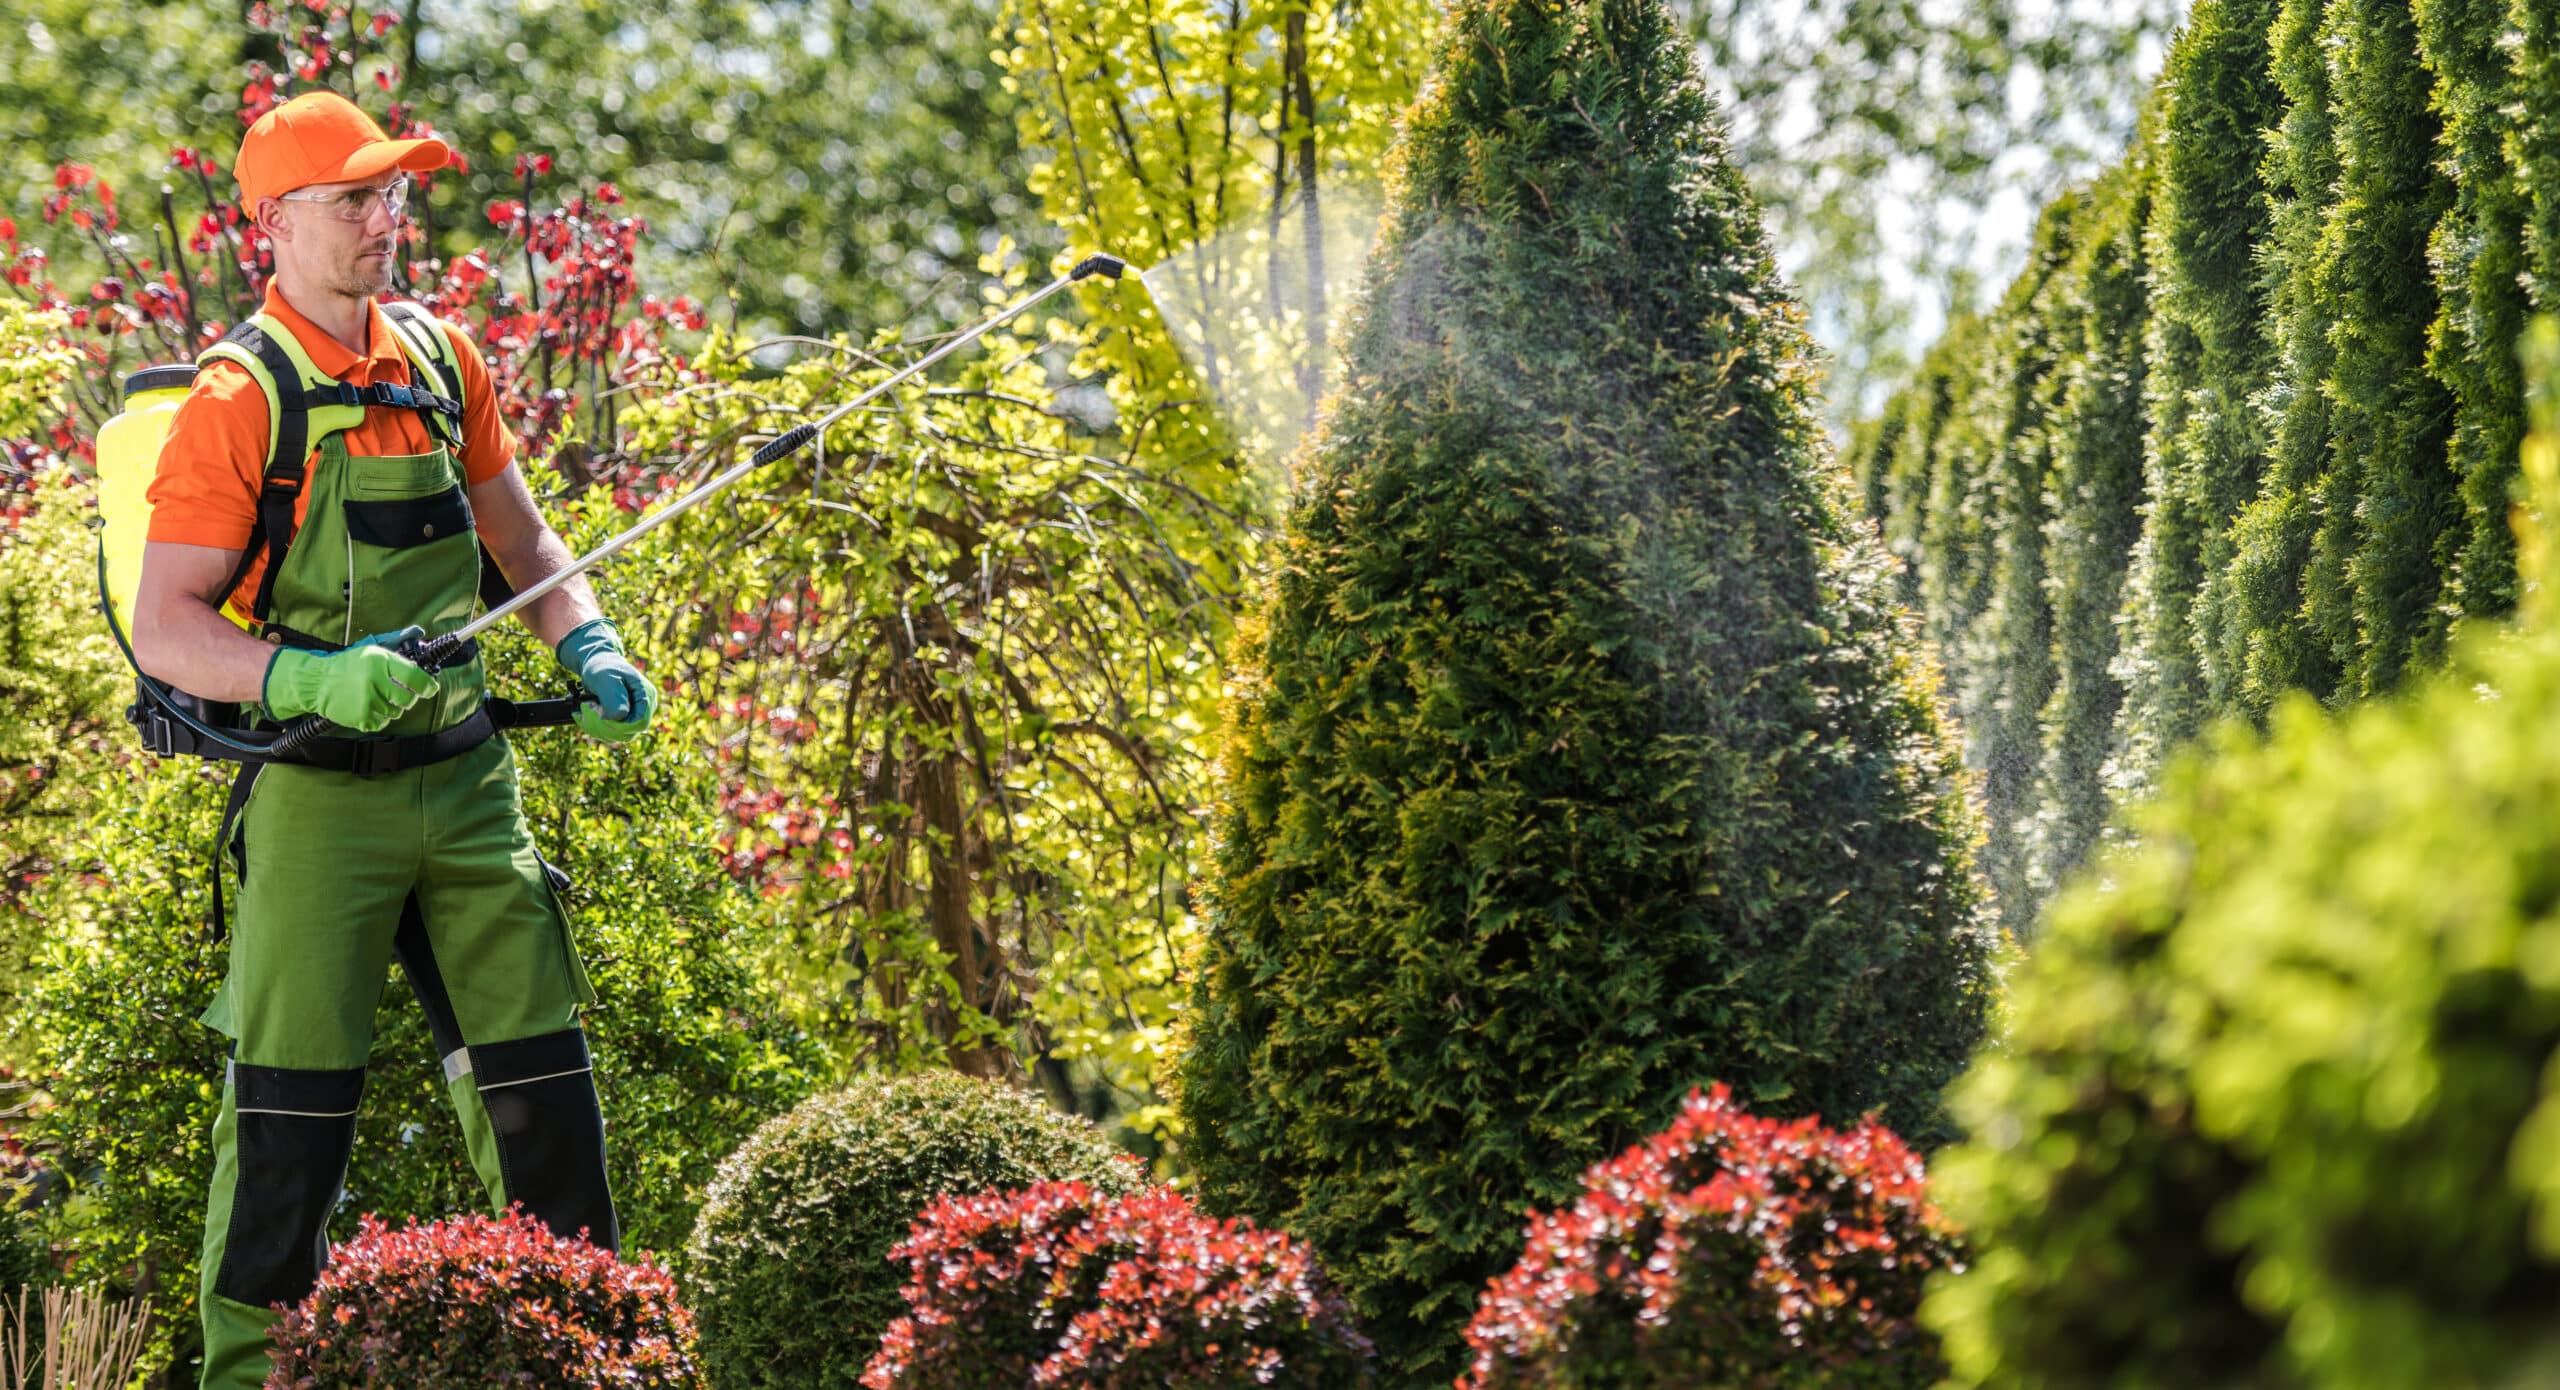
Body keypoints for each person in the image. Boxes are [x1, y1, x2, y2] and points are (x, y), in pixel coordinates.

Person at [130, 91, 658, 1390]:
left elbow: (527, 546)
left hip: (473, 792)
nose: (386, 218)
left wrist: (585, 640)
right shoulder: (239, 398)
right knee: (287, 1134)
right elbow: (166, 627)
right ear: (277, 223)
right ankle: (251, 1375)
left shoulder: (439, 361)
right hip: (320, 803)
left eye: (392, 194)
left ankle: (588, 1360)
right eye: (355, 197)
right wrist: (313, 673)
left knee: (548, 1113)